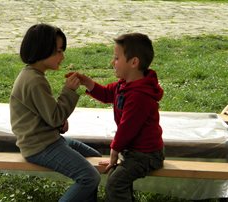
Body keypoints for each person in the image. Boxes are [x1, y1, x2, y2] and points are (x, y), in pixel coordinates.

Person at [9, 23, 101, 202]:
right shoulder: (34, 81)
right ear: (42, 49)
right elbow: (55, 116)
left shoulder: (33, 75)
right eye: (58, 51)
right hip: (40, 146)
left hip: (48, 139)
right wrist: (68, 92)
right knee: (89, 177)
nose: (62, 56)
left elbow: (49, 116)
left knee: (95, 159)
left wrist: (59, 123)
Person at [77, 33, 165, 202]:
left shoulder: (140, 95)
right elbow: (106, 93)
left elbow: (127, 128)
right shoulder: (124, 85)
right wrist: (87, 82)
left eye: (116, 58)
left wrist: (114, 151)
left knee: (115, 183)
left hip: (146, 155)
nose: (112, 62)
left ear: (134, 62)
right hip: (134, 151)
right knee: (119, 178)